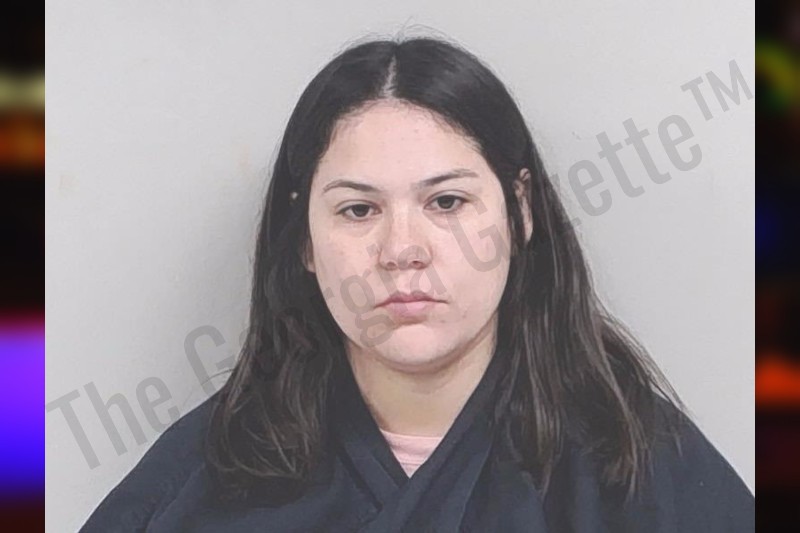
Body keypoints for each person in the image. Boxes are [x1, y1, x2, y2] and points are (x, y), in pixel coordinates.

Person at [81, 35, 754, 532]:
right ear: (305, 239)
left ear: (520, 211)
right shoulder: (204, 477)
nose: (402, 250)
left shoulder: (638, 466)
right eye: (358, 210)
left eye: (447, 202)